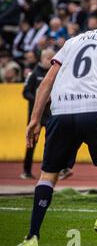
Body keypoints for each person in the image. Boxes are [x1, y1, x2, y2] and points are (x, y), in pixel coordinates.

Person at [16, 0, 97, 246]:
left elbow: (47, 81)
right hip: (93, 110)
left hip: (59, 113)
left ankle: (32, 237)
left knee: (48, 174)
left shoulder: (73, 41)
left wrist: (35, 120)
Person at [21, 48, 74, 180]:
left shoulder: (57, 72)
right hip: (36, 116)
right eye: (47, 57)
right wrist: (40, 99)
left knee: (55, 142)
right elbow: (25, 92)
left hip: (52, 114)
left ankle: (62, 169)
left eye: (52, 57)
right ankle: (26, 171)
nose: (49, 60)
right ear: (41, 58)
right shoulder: (34, 74)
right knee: (32, 143)